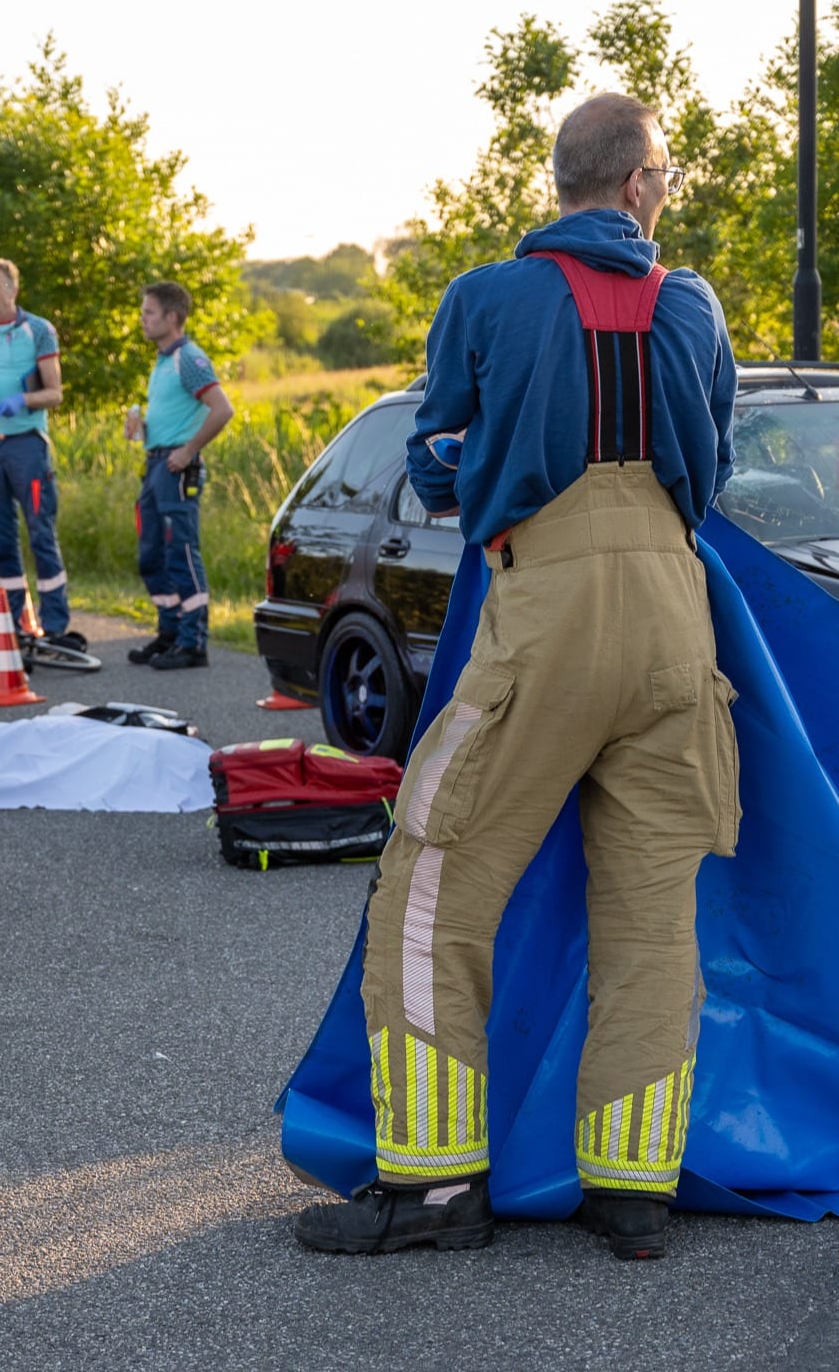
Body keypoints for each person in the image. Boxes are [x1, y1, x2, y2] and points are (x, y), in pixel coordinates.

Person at [291, 94, 738, 1260]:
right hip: (677, 620)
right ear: (639, 185)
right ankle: (632, 1191)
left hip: (546, 604)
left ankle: (435, 1186)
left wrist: (493, 459)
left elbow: (436, 465)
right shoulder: (689, 303)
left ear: (562, 184)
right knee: (650, 914)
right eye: (666, 177)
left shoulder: (485, 297)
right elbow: (719, 460)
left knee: (432, 883)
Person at [0, 258, 81, 651]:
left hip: (28, 443)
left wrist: (24, 400)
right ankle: (17, 623)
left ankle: (56, 625)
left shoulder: (39, 330)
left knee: (41, 533)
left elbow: (55, 392)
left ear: (13, 290)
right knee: (0, 539)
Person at [123, 281, 232, 669]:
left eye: (149, 313)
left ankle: (193, 643)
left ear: (172, 317)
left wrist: (188, 450)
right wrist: (140, 428)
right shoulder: (161, 361)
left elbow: (222, 409)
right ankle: (169, 634)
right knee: (151, 555)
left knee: (181, 552)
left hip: (175, 468)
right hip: (155, 463)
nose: (142, 320)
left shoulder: (188, 358)